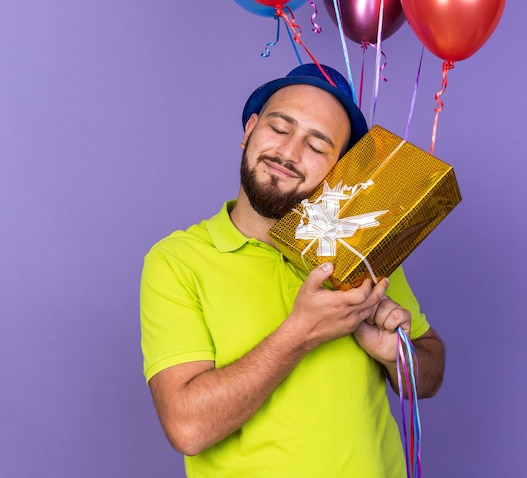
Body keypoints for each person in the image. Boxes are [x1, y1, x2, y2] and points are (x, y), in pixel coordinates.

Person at [140, 63, 445, 477]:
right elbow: (188, 428)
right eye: (280, 128)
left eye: (318, 146)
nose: (289, 153)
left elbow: (427, 377)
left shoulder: (362, 250)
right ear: (250, 129)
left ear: (338, 170)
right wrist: (301, 332)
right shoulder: (177, 260)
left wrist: (396, 355)